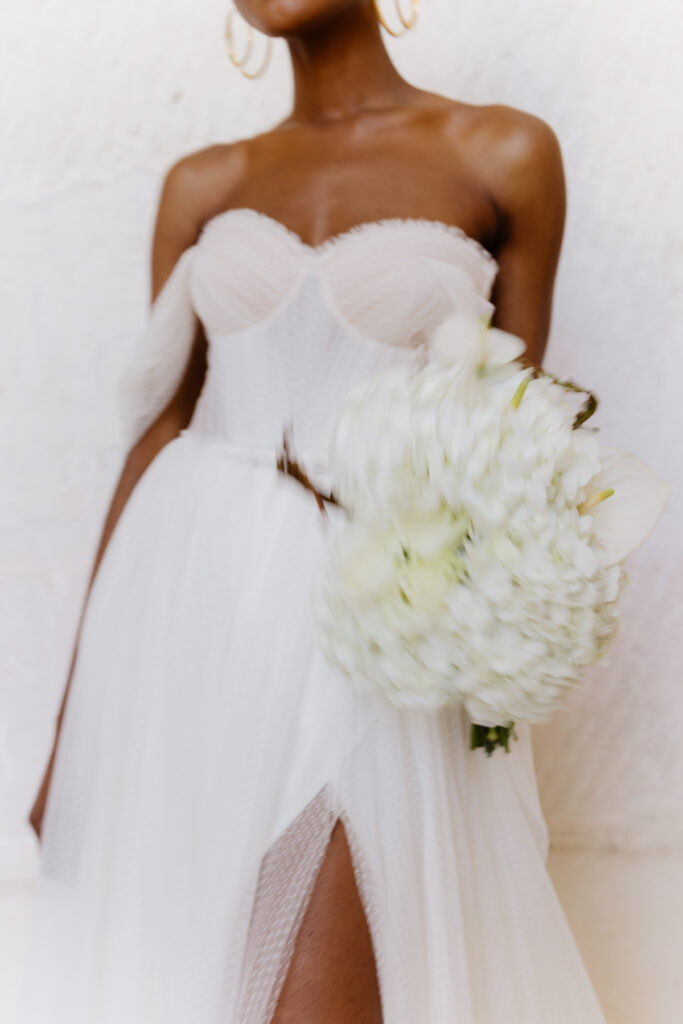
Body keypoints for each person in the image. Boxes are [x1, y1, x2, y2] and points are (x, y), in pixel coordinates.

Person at [22, 1, 608, 1021]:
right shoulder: (205, 183)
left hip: (381, 619)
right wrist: (72, 732)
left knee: (320, 987)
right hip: (196, 615)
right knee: (204, 973)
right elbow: (156, 431)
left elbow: (515, 429)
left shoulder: (504, 153)